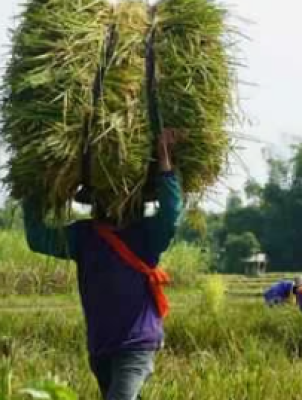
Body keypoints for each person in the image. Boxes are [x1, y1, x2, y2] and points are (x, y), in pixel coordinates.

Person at [22, 129, 183, 400]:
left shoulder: (145, 236)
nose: (109, 204)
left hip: (136, 345)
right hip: (101, 349)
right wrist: (35, 187)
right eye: (103, 198)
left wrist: (165, 162)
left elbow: (170, 213)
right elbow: (39, 238)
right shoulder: (84, 236)